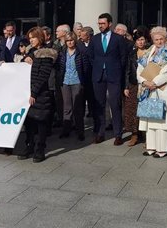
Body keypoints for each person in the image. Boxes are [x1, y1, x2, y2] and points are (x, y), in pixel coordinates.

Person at [86, 13, 128, 145]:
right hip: (98, 75)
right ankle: (100, 133)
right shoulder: (95, 39)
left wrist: (115, 68)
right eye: (99, 23)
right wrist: (99, 67)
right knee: (99, 105)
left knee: (115, 104)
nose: (100, 26)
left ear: (110, 24)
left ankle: (118, 134)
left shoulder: (118, 39)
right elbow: (91, 56)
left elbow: (123, 57)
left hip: (114, 74)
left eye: (103, 23)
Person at [17, 27, 57, 163]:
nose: (31, 40)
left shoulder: (46, 54)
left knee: (41, 121)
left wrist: (34, 93)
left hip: (40, 93)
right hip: (28, 92)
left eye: (33, 38)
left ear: (39, 37)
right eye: (30, 38)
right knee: (29, 122)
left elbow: (43, 75)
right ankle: (29, 145)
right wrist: (25, 60)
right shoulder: (31, 52)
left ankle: (40, 149)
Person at [137, 27, 167, 158]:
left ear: (165, 39)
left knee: (161, 122)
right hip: (148, 89)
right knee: (150, 120)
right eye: (156, 39)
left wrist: (154, 82)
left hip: (163, 89)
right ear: (152, 40)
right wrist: (144, 82)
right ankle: (151, 147)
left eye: (161, 39)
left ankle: (162, 149)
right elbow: (140, 69)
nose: (159, 41)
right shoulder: (148, 52)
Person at [57, 32, 89, 141]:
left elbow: (85, 68)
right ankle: (66, 129)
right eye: (67, 41)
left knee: (78, 108)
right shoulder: (62, 52)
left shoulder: (80, 52)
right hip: (65, 82)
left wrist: (83, 81)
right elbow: (59, 67)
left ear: (75, 40)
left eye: (71, 40)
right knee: (67, 108)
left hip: (77, 81)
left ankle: (80, 131)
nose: (69, 42)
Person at [123, 30, 149, 146]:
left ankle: (147, 135)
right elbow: (127, 70)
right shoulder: (132, 54)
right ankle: (134, 134)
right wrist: (126, 86)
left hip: (147, 85)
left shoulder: (150, 53)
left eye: (142, 39)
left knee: (145, 110)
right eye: (138, 40)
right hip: (134, 85)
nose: (140, 42)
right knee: (132, 110)